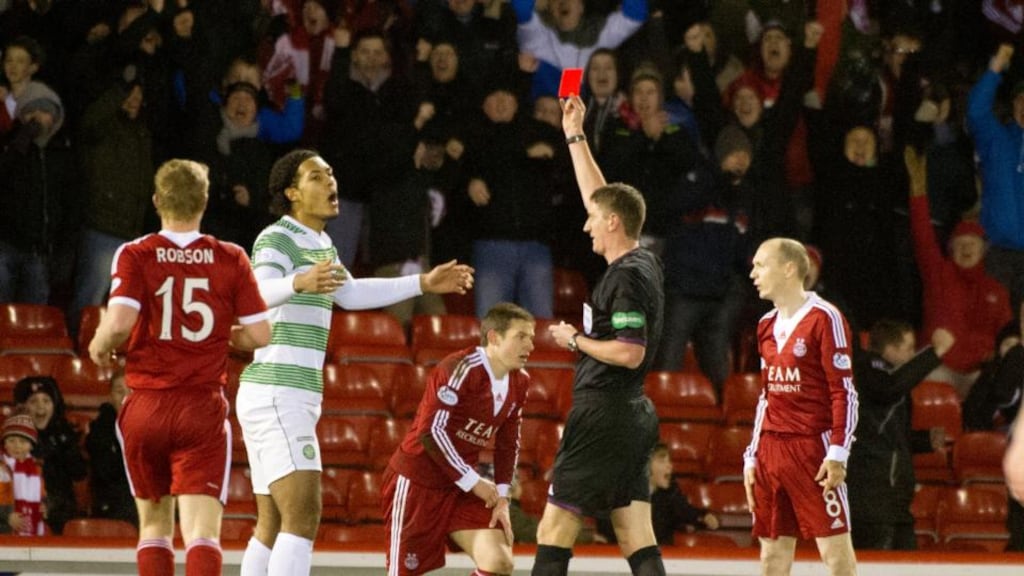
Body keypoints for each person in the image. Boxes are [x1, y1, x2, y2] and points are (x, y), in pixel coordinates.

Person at [235, 149, 473, 576]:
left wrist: (422, 281)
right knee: (304, 516)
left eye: (331, 173)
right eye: (316, 176)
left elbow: (352, 293)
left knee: (272, 523)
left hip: (285, 393)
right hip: (278, 392)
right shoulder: (278, 237)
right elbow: (256, 291)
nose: (331, 182)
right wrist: (299, 281)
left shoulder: (321, 243)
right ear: (291, 192)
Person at [87, 158, 272, 576]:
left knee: (153, 526)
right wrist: (220, 332)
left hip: (146, 405)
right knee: (202, 533)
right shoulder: (231, 257)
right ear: (204, 202)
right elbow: (261, 336)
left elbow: (118, 324)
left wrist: (100, 346)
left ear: (156, 201)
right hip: (200, 408)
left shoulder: (135, 253)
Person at [531, 95, 664, 576]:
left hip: (603, 412)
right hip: (632, 414)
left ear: (612, 224)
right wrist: (575, 136)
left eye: (593, 219)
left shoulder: (625, 279)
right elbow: (603, 198)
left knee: (553, 531)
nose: (586, 224)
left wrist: (574, 341)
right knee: (634, 534)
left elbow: (629, 352)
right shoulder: (641, 258)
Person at [382, 302, 535, 575]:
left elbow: (508, 442)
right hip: (418, 480)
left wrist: (502, 496)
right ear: (494, 338)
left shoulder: (520, 381)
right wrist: (473, 481)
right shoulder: (460, 368)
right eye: (521, 337)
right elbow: (431, 432)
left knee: (499, 562)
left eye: (531, 338)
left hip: (461, 486)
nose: (530, 346)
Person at [743, 237, 858, 576]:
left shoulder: (825, 318)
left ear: (789, 268)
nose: (752, 273)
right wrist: (752, 454)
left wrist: (838, 453)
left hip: (812, 450)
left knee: (836, 558)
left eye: (760, 265)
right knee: (771, 560)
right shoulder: (765, 324)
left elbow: (845, 392)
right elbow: (766, 396)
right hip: (770, 450)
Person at [905, 146, 1012, 398]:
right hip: (940, 368)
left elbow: (1007, 332)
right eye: (960, 244)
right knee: (928, 385)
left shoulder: (996, 288)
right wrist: (918, 194)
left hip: (979, 374)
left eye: (971, 244)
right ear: (950, 250)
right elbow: (922, 235)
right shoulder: (938, 272)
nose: (966, 248)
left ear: (982, 250)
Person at [847, 320, 953, 550]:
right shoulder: (868, 370)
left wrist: (924, 441)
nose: (912, 354)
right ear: (890, 349)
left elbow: (887, 435)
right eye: (909, 348)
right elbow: (887, 389)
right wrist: (934, 353)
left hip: (891, 499)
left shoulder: (887, 381)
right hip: (872, 499)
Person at [967, 44, 1024, 311]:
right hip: (998, 252)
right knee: (997, 321)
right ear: (1013, 104)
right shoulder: (997, 139)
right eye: (1021, 99)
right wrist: (995, 68)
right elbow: (977, 110)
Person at [597, 442, 720, 545]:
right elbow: (607, 528)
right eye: (662, 461)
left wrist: (704, 517)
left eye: (669, 461)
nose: (670, 467)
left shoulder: (670, 493)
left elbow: (686, 512)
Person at [13, 375, 86, 535]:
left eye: (46, 401)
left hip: (61, 516)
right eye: (33, 402)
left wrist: (66, 447)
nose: (41, 407)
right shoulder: (12, 441)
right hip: (21, 516)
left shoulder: (65, 436)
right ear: (23, 408)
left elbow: (80, 473)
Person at [85, 369, 137, 527]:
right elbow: (106, 473)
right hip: (115, 502)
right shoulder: (100, 431)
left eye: (132, 390)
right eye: (119, 391)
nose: (126, 396)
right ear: (110, 396)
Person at [1, 414, 43, 536]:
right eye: (12, 440)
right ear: (4, 444)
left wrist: (46, 505)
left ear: (31, 445)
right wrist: (6, 516)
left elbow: (44, 495)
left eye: (23, 441)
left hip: (31, 531)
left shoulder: (37, 468)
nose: (17, 446)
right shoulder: (1, 468)